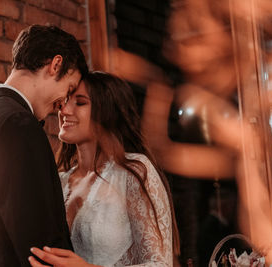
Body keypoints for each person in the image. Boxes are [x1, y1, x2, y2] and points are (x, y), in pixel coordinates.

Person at [0, 24, 88, 266]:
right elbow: (42, 247)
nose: (63, 103)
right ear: (56, 64)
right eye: (68, 89)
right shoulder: (18, 125)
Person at [28, 71, 180, 267]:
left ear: (107, 112)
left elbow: (160, 264)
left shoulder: (133, 171)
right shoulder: (59, 181)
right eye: (65, 101)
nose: (63, 110)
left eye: (80, 102)